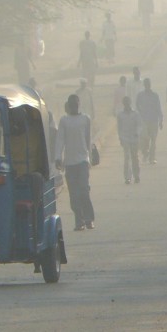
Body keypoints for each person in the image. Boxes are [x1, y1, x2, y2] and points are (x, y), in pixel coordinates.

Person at [53, 94, 95, 231]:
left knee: (83, 190)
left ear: (79, 104)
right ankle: (79, 221)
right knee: (74, 194)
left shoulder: (85, 119)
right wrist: (58, 157)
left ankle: (89, 219)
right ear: (68, 106)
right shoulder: (64, 121)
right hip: (70, 163)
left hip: (82, 160)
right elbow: (60, 140)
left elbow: (88, 139)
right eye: (72, 104)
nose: (74, 106)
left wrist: (90, 157)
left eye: (76, 103)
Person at [135, 78, 163, 164]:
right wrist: (140, 113)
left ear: (150, 84)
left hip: (154, 120)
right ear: (144, 85)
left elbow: (158, 108)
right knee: (144, 139)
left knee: (153, 140)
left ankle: (152, 157)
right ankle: (145, 153)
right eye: (146, 83)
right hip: (144, 120)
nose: (147, 85)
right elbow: (137, 105)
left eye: (148, 83)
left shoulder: (155, 95)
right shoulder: (140, 95)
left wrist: (161, 120)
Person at [116, 95, 141, 184]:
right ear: (123, 104)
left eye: (128, 103)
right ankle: (127, 177)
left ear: (130, 103)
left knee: (135, 157)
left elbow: (139, 125)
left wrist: (137, 133)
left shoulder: (135, 114)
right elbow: (119, 128)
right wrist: (120, 138)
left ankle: (136, 176)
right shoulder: (120, 115)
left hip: (134, 138)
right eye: (125, 103)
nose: (127, 104)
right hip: (125, 138)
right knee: (127, 157)